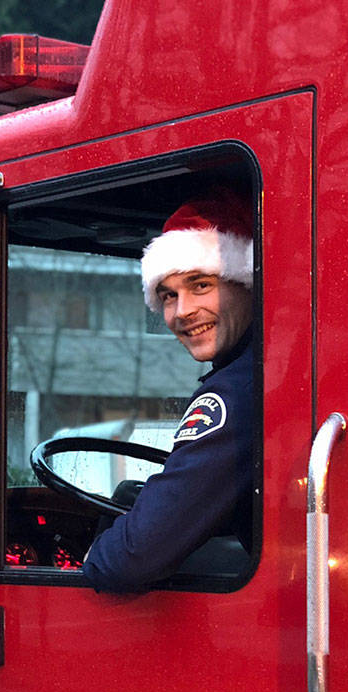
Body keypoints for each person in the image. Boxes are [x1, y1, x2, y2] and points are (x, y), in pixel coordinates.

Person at [81, 190, 257, 593]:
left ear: (245, 281)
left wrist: (94, 557)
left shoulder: (234, 394)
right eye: (168, 295)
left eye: (200, 285)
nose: (182, 312)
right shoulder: (260, 373)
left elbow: (133, 559)